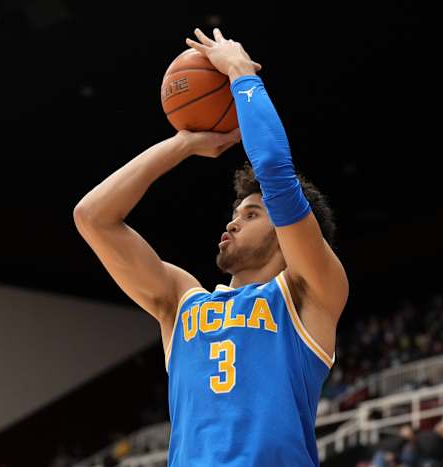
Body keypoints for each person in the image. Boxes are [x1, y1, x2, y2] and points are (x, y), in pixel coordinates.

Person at [74, 27, 348, 467]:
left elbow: (276, 170)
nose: (233, 221)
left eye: (252, 214)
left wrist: (239, 70)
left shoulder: (309, 293)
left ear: (287, 232)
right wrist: (183, 145)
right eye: (236, 213)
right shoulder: (182, 302)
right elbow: (93, 217)